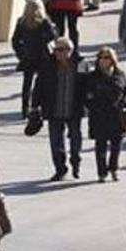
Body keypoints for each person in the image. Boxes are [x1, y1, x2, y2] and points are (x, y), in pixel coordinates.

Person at [32, 37, 87, 181]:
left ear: (70, 50)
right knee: (56, 142)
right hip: (53, 109)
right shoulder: (47, 64)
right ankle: (60, 169)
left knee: (75, 139)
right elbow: (38, 86)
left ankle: (75, 163)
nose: (58, 53)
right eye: (56, 50)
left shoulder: (81, 64)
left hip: (74, 109)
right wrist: (34, 105)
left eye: (62, 50)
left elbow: (88, 84)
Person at [85, 47, 126, 182]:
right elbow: (87, 95)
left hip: (116, 115)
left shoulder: (120, 74)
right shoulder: (93, 77)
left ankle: (114, 168)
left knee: (116, 145)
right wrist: (92, 106)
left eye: (106, 58)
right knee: (101, 146)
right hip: (99, 115)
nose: (103, 61)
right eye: (101, 58)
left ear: (112, 60)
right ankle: (101, 172)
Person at [10, 0, 58, 120]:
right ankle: (40, 106)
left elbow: (15, 41)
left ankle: (24, 109)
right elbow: (53, 37)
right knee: (43, 82)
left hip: (28, 57)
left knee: (27, 84)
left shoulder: (21, 22)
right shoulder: (44, 22)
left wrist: (21, 53)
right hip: (42, 57)